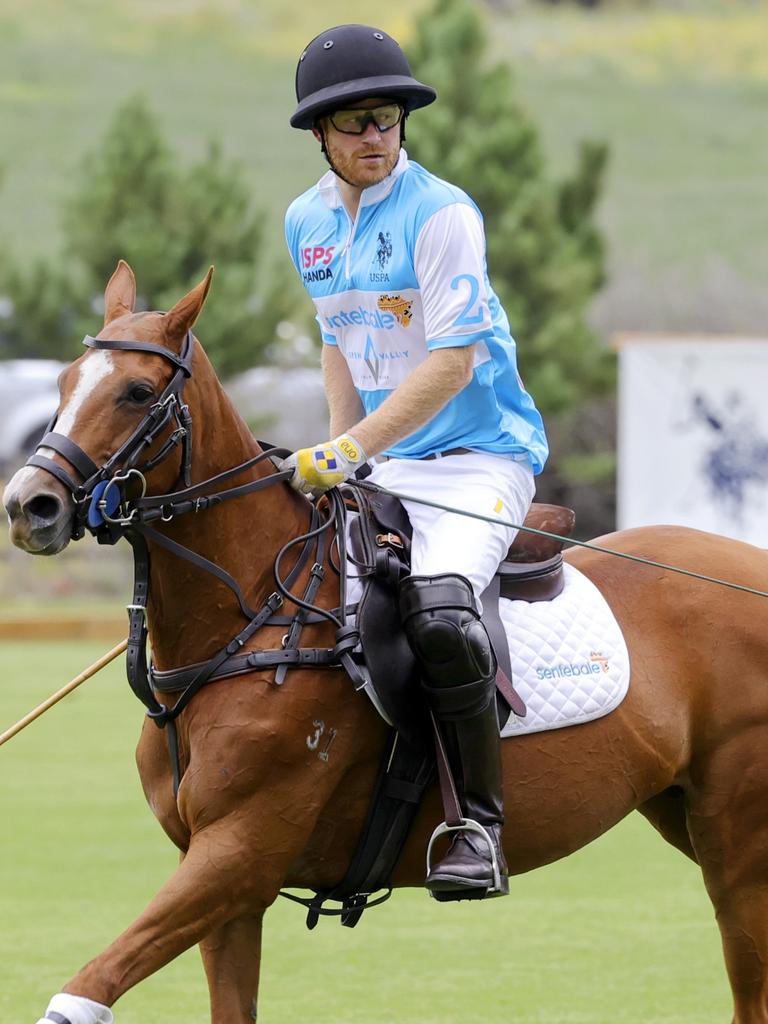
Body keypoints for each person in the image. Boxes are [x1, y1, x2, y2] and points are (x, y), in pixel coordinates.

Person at [281, 24, 548, 900]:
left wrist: (352, 450)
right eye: (353, 122)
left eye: (386, 118)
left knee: (437, 611)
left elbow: (454, 360)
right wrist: (342, 452)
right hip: (386, 460)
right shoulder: (306, 220)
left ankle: (476, 825)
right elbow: (338, 339)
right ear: (319, 134)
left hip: (479, 457)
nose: (373, 136)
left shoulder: (443, 214)